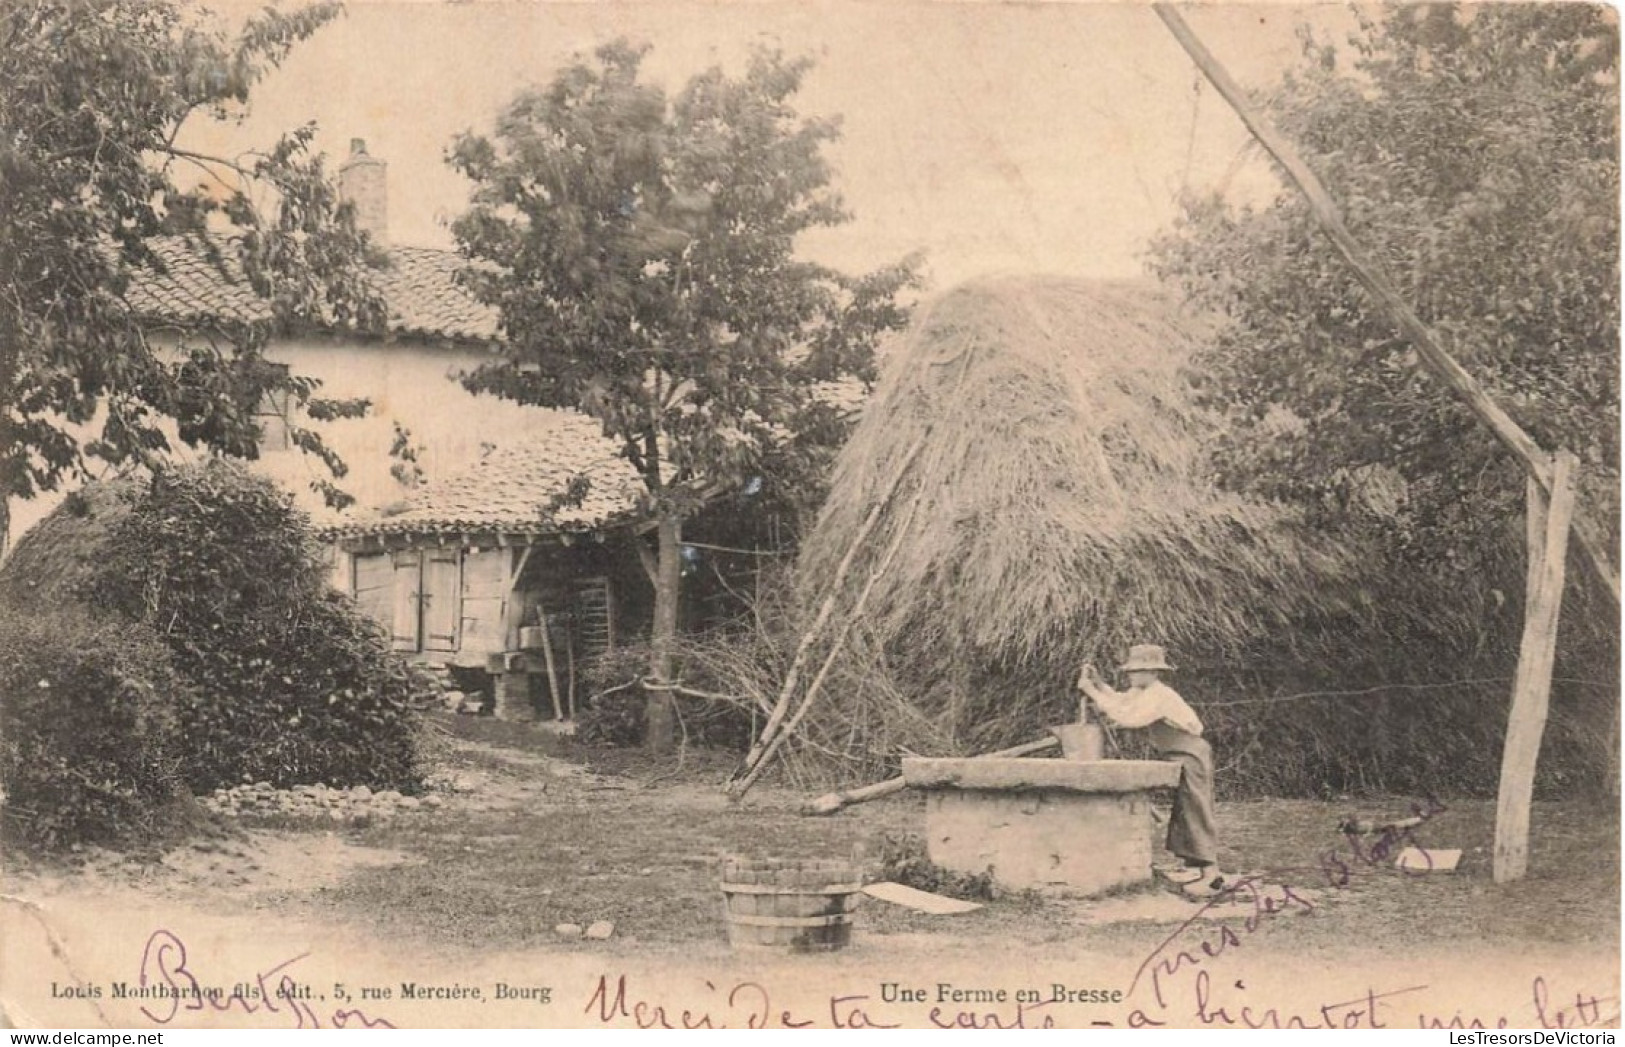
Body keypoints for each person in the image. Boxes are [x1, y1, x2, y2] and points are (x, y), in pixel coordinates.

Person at [1077, 643, 1225, 896]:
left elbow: (1129, 718)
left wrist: (1091, 691)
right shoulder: (1142, 692)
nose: (1131, 675)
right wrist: (1100, 686)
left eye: (1138, 671)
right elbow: (1121, 701)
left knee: (1195, 809)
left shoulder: (1161, 696)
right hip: (1178, 755)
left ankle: (1212, 877)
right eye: (1131, 671)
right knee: (1185, 811)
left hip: (1191, 754)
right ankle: (1206, 873)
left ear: (1154, 673)